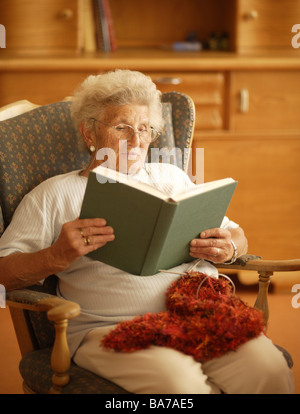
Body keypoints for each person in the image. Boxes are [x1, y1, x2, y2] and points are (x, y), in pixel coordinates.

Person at [0, 70, 294, 394]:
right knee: (181, 387)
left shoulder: (171, 177)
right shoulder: (53, 194)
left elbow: (235, 233)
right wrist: (55, 256)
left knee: (268, 369)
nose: (137, 141)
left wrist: (230, 248)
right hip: (110, 328)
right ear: (89, 133)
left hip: (200, 313)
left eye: (144, 129)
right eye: (122, 128)